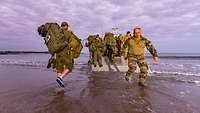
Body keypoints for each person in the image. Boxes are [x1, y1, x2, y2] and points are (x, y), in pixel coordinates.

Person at [55, 21, 78, 87]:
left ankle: (59, 81)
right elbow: (73, 43)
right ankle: (61, 77)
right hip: (65, 52)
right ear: (66, 26)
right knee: (70, 66)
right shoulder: (68, 33)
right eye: (67, 26)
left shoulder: (56, 33)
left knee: (59, 68)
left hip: (57, 52)